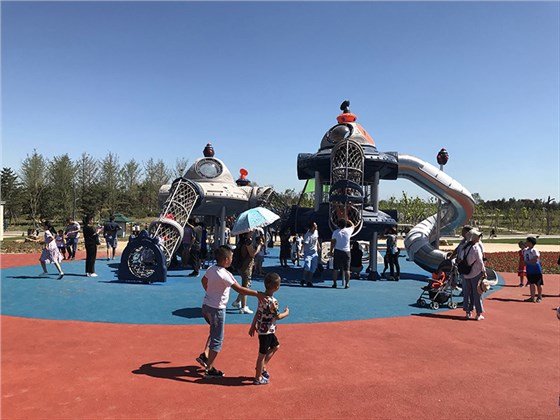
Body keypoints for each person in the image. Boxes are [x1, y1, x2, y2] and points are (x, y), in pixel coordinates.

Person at [196, 246, 265, 378]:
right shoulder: (226, 275)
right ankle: (209, 368)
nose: (232, 259)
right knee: (217, 338)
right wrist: (258, 294)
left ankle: (205, 355)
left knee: (214, 331)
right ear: (227, 260)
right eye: (231, 257)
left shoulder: (211, 269)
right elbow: (240, 290)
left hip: (206, 306)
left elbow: (203, 281)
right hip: (217, 309)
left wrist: (210, 292)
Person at [249, 272, 290, 385]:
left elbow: (258, 312)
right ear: (276, 287)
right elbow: (278, 316)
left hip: (265, 329)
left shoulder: (261, 297)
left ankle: (263, 366)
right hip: (266, 331)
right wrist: (286, 313)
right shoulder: (273, 301)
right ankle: (258, 377)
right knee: (261, 354)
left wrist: (253, 325)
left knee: (275, 346)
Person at [231, 231, 263, 314]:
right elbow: (252, 253)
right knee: (246, 286)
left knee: (247, 284)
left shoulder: (241, 241)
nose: (252, 231)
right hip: (246, 266)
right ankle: (243, 307)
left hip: (242, 265)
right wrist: (259, 246)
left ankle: (238, 301)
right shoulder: (247, 241)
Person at [459, 228, 486, 320]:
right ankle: (478, 313)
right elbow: (479, 261)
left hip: (466, 273)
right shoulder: (476, 247)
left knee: (467, 293)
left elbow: (461, 258)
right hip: (476, 272)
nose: (479, 237)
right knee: (477, 293)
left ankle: (468, 311)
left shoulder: (464, 247)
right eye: (478, 236)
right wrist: (484, 271)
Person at [330, 218, 354, 289]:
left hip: (338, 250)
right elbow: (353, 226)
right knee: (347, 269)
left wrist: (331, 251)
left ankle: (334, 283)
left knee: (335, 269)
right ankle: (347, 284)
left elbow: (333, 243)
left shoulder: (335, 232)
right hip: (346, 251)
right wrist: (349, 221)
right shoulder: (348, 231)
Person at [523, 236, 544, 303]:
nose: (526, 243)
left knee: (538, 283)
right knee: (531, 283)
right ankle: (532, 297)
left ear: (530, 243)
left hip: (536, 269)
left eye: (527, 242)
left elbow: (536, 258)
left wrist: (528, 262)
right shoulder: (525, 250)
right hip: (529, 269)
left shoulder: (534, 250)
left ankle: (539, 296)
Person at [300, 222, 320, 287]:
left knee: (313, 268)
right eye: (315, 225)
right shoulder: (307, 235)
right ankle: (303, 279)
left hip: (314, 253)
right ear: (312, 227)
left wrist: (318, 246)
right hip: (308, 253)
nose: (316, 226)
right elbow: (304, 244)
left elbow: (316, 239)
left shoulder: (316, 232)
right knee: (307, 267)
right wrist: (301, 252)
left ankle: (309, 281)